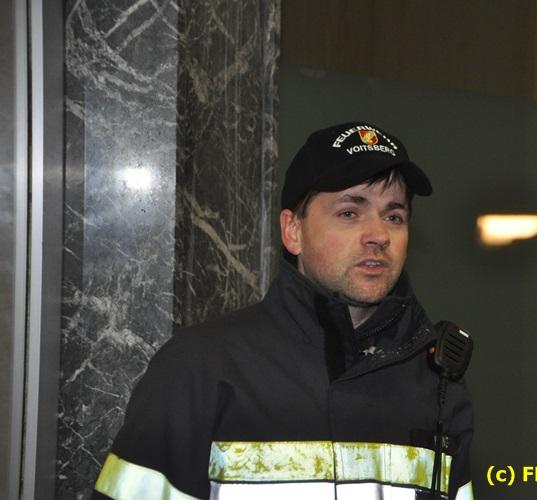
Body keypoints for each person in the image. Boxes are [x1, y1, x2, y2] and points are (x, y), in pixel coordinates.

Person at [93, 122, 474, 500]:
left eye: (394, 216)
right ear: (293, 231)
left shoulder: (436, 379)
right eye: (349, 213)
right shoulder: (201, 367)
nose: (379, 235)